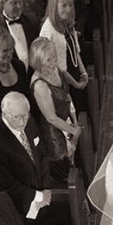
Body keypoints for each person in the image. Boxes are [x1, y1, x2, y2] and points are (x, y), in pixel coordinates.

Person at [0, 92, 52, 225]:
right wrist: (37, 196)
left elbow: (41, 155)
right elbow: (5, 183)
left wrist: (46, 188)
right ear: (4, 114)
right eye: (16, 117)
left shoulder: (28, 119)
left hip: (43, 194)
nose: (22, 122)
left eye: (24, 116)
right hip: (20, 206)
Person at [30, 36, 81, 182]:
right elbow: (51, 118)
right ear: (38, 61)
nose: (53, 62)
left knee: (76, 163)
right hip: (54, 134)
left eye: (54, 57)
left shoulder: (55, 69)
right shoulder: (40, 85)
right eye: (48, 60)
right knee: (65, 173)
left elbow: (66, 95)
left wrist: (74, 120)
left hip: (67, 121)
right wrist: (73, 131)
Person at [39, 0, 89, 112]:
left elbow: (76, 51)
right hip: (64, 83)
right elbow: (57, 68)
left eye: (70, 5)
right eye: (64, 6)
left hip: (75, 75)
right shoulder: (48, 31)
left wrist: (83, 72)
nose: (68, 9)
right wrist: (76, 84)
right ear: (54, 6)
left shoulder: (66, 22)